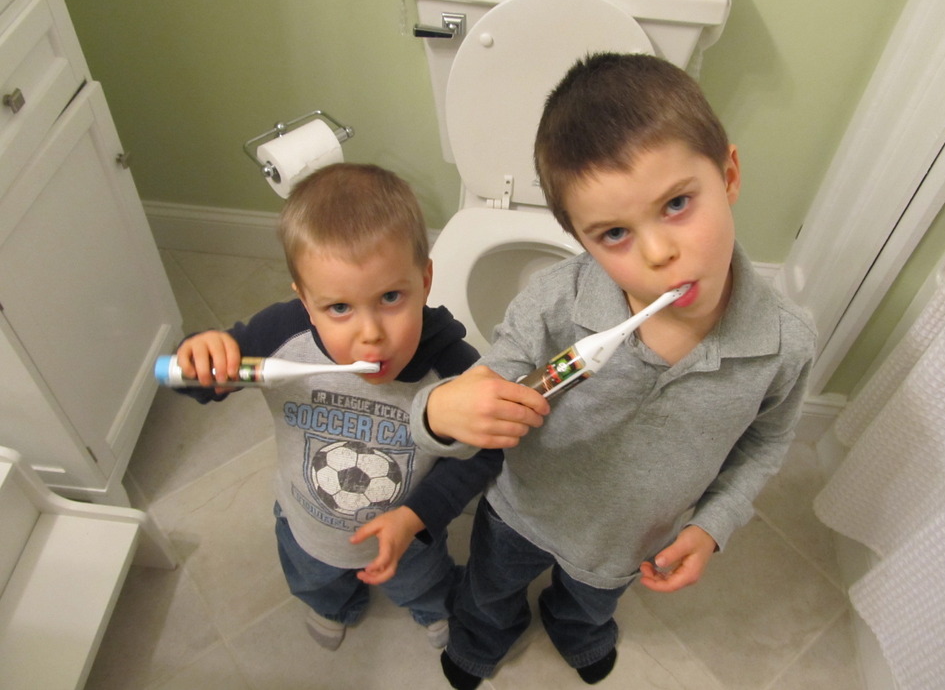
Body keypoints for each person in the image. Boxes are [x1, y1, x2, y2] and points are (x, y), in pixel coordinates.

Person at [410, 53, 817, 689]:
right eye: (615, 234)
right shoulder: (555, 304)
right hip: (523, 509)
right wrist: (440, 411)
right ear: (581, 239)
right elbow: (483, 389)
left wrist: (713, 526)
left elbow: (765, 444)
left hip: (630, 540)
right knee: (488, 590)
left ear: (729, 174)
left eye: (678, 202)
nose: (659, 252)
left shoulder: (782, 344)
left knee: (591, 603)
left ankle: (577, 627)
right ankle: (482, 634)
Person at [173, 163, 501, 652]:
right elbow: (197, 382)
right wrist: (199, 356)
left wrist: (416, 516)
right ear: (305, 301)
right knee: (313, 578)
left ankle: (432, 608)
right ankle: (334, 605)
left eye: (391, 296)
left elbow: (484, 455)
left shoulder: (455, 368)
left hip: (409, 531)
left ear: (426, 279)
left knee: (424, 584)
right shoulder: (279, 338)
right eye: (339, 308)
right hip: (305, 521)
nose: (370, 334)